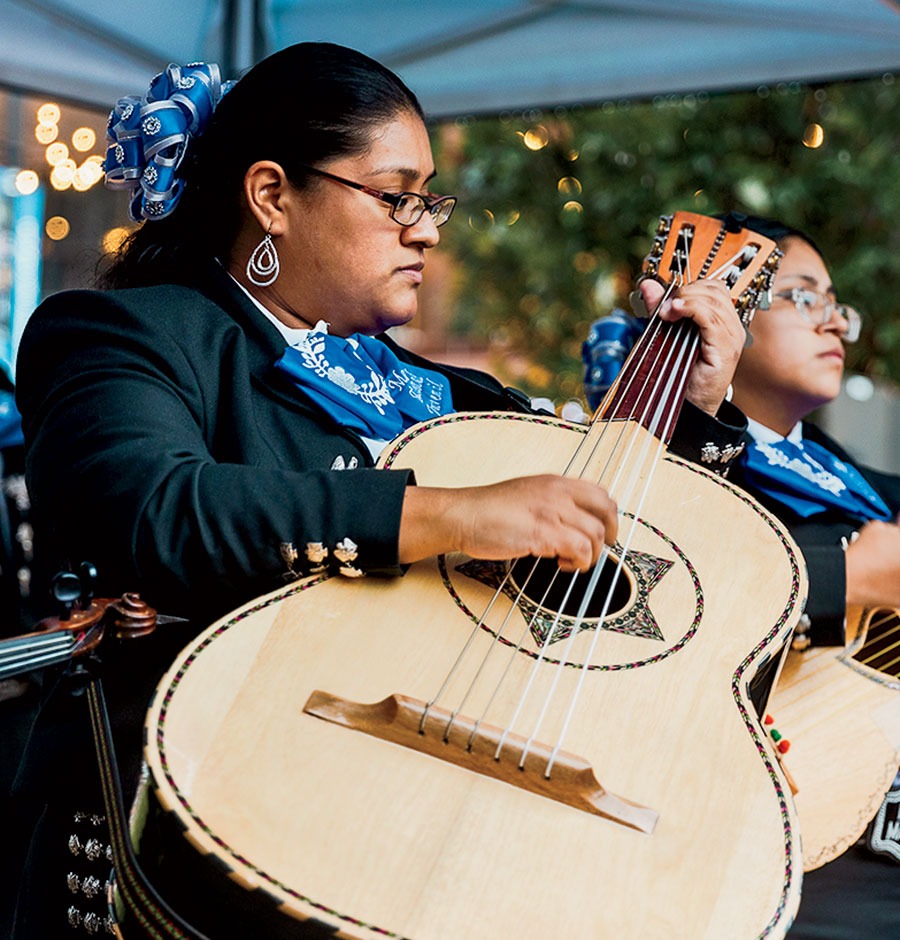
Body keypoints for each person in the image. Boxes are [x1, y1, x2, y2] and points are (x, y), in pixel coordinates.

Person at [11, 43, 748, 937]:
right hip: (198, 815)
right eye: (397, 196)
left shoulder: (460, 401)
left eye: (430, 199)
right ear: (273, 196)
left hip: (426, 814)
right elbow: (151, 507)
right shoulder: (127, 333)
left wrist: (692, 411)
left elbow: (612, 572)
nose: (428, 229)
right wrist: (445, 514)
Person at [722, 213, 900, 940]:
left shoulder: (866, 485)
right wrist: (845, 578)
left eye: (835, 303)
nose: (835, 324)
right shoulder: (672, 463)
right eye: (801, 296)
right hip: (798, 839)